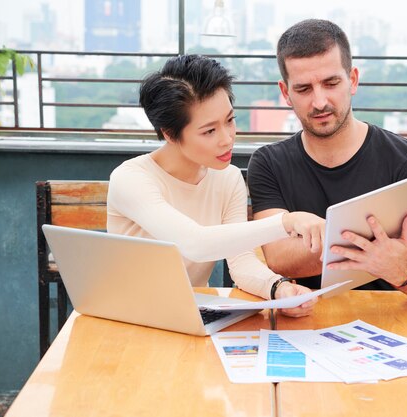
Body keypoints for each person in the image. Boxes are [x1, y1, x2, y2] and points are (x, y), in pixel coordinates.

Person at [107, 55, 325, 317]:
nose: (227, 138)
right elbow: (196, 243)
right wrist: (286, 222)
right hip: (128, 319)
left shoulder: (227, 178)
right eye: (209, 131)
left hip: (191, 316)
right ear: (169, 133)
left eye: (230, 120)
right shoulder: (131, 179)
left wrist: (279, 289)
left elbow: (241, 260)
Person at [247, 19, 407, 297]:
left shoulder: (404, 158)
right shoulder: (268, 163)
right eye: (304, 89)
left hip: (389, 318)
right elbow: (280, 258)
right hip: (305, 318)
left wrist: (403, 270)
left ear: (352, 80)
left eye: (331, 83)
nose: (319, 102)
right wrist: (371, 248)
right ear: (286, 93)